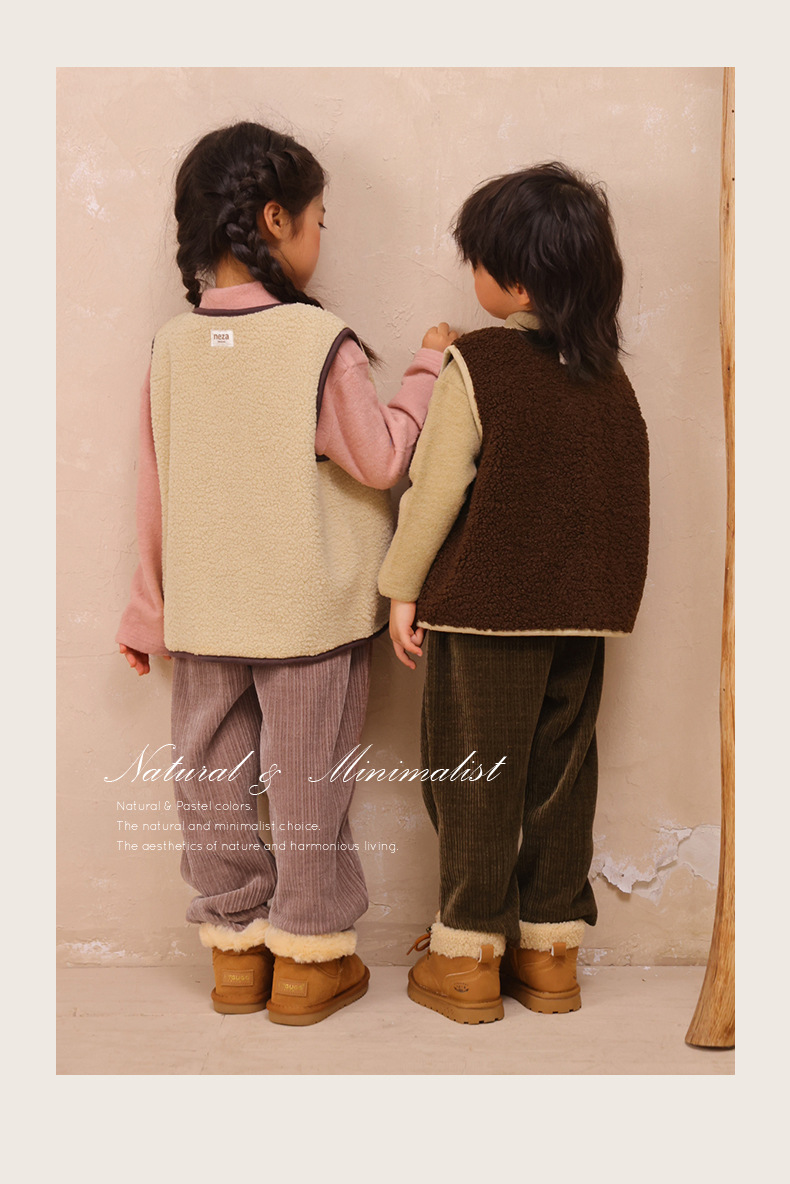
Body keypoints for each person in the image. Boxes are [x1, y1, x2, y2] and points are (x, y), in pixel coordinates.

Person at [116, 121, 456, 1025]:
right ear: (275, 219)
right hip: (309, 613)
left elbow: (157, 486)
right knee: (308, 782)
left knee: (209, 780)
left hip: (206, 612)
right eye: (318, 221)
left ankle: (235, 954)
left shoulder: (170, 347)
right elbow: (381, 460)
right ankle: (309, 959)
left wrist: (147, 610)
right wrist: (426, 369)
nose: (320, 237)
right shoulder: (318, 342)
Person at [378, 162, 650, 1024]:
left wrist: (401, 588)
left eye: (480, 262)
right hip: (582, 616)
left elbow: (435, 489)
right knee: (562, 779)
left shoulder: (478, 364)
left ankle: (466, 957)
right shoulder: (609, 378)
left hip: (486, 614)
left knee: (475, 781)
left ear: (519, 283)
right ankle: (552, 955)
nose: (473, 275)